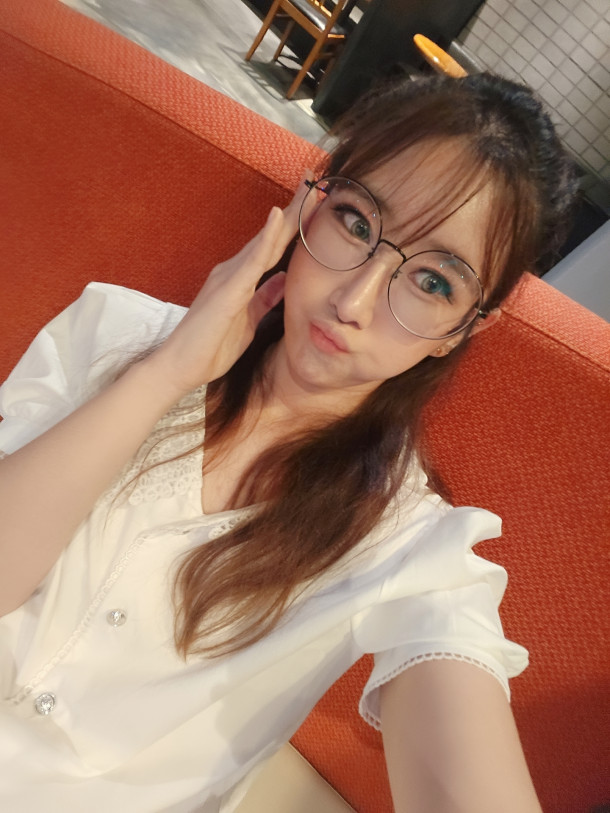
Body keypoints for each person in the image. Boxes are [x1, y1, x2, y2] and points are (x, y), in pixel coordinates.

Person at [0, 72, 577, 812]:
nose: (353, 301)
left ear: (465, 328)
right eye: (357, 223)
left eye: (433, 283)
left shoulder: (412, 549)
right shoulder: (114, 332)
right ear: (311, 199)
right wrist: (162, 376)